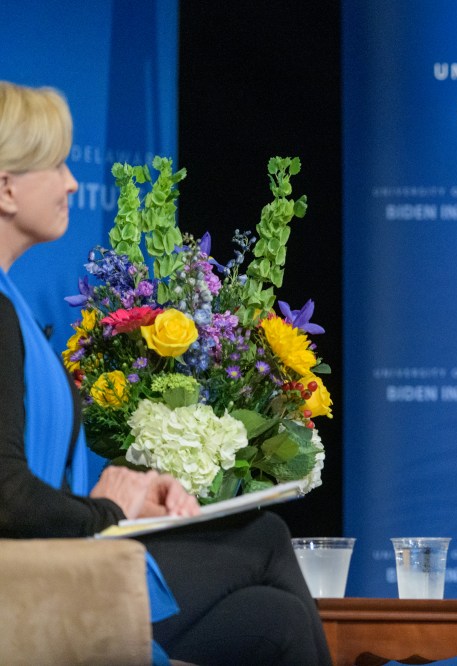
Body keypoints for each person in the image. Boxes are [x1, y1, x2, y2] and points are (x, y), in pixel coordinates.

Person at [0, 80, 333, 665]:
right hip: (34, 588)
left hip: (56, 561)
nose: (73, 182)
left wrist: (134, 497)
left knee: (275, 622)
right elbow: (6, 495)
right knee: (266, 538)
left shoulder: (13, 305)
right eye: (56, 165)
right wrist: (110, 513)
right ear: (6, 187)